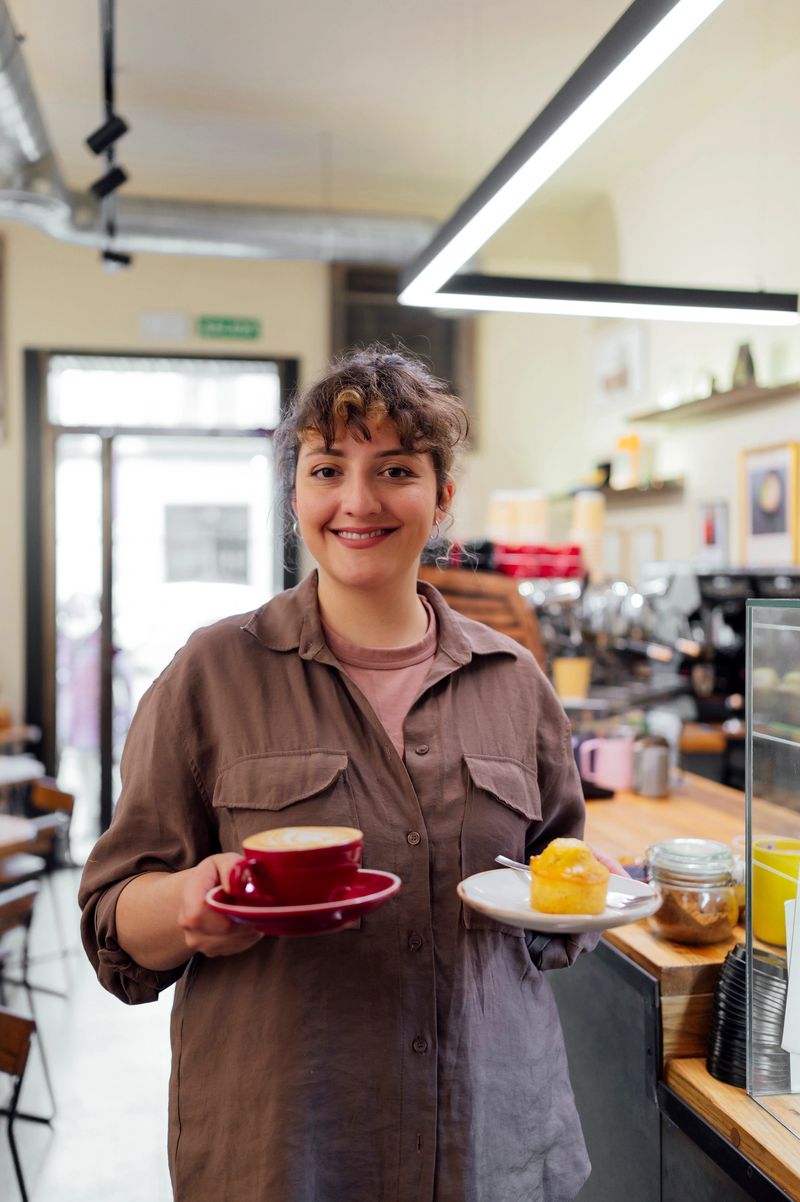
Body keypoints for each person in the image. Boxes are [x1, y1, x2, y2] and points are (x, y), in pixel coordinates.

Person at [80, 346, 617, 1202]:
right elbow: (113, 919)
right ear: (296, 496)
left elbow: (556, 892)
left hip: (490, 1147)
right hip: (287, 1153)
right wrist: (186, 906)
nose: (358, 501)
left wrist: (586, 894)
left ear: (442, 499)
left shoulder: (515, 682)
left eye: (396, 469)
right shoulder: (210, 674)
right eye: (328, 468)